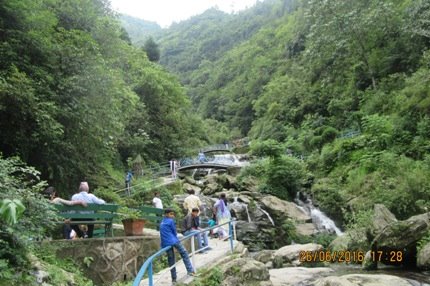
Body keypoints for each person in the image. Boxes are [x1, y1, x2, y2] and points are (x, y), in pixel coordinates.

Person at [160, 208, 195, 283]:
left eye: (173, 214)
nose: (172, 216)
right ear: (166, 214)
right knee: (184, 253)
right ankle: (190, 271)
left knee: (171, 260)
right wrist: (175, 238)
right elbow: (174, 232)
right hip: (173, 241)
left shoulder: (162, 221)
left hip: (165, 243)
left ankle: (174, 279)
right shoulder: (171, 221)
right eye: (171, 214)